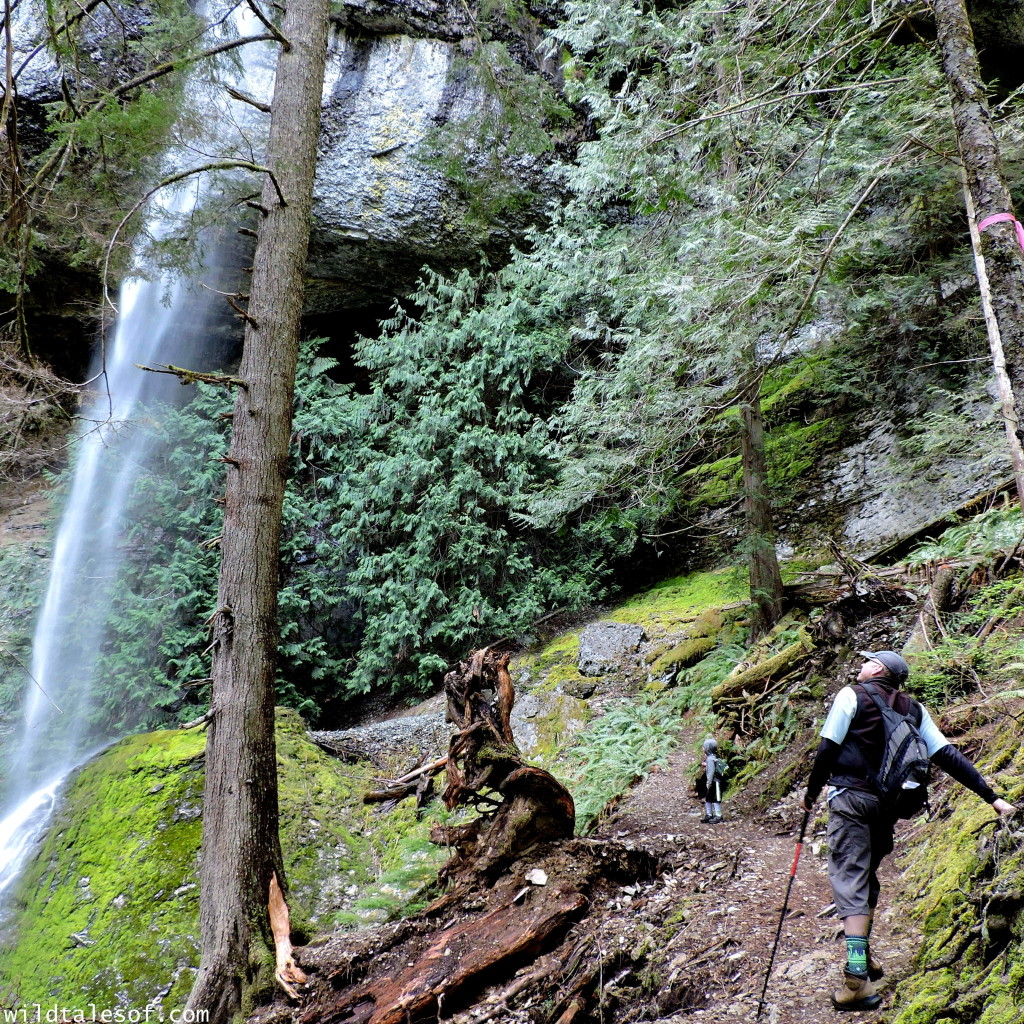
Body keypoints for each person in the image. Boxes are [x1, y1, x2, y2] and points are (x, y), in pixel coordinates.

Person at [803, 650, 1016, 1012]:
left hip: (851, 800)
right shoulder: (914, 710)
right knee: (866, 878)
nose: (861, 664)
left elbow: (827, 748)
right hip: (886, 807)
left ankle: (856, 979)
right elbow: (947, 756)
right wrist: (993, 798)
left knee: (850, 876)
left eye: (867, 661)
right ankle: (864, 957)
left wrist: (810, 794)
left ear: (879, 669)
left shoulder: (851, 695)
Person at [701, 736, 726, 824]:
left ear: (707, 748)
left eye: (704, 747)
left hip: (714, 782)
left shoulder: (710, 759)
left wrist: (708, 782)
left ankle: (718, 815)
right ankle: (709, 814)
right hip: (713, 782)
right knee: (708, 798)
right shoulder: (713, 758)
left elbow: (711, 772)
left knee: (715, 799)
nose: (703, 748)